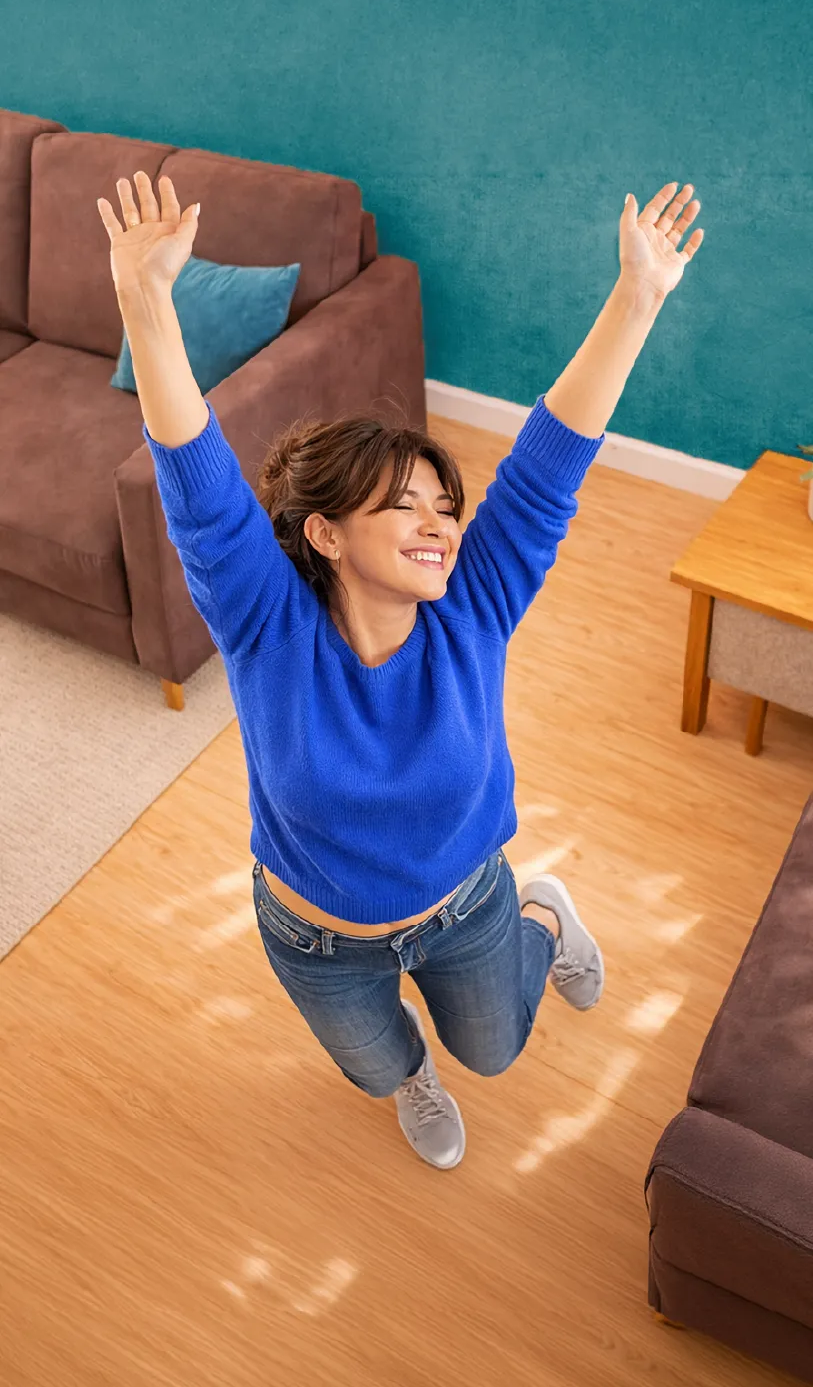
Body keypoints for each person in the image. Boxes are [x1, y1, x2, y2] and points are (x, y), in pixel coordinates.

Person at [97, 172, 703, 1170]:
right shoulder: (265, 623)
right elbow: (197, 484)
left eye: (444, 504)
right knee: (380, 1072)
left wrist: (639, 293)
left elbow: (553, 460)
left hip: (465, 906)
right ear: (328, 534)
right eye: (404, 506)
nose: (439, 524)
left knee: (497, 1050)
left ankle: (544, 916)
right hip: (315, 940)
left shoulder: (476, 603)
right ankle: (409, 1073)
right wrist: (145, 303)